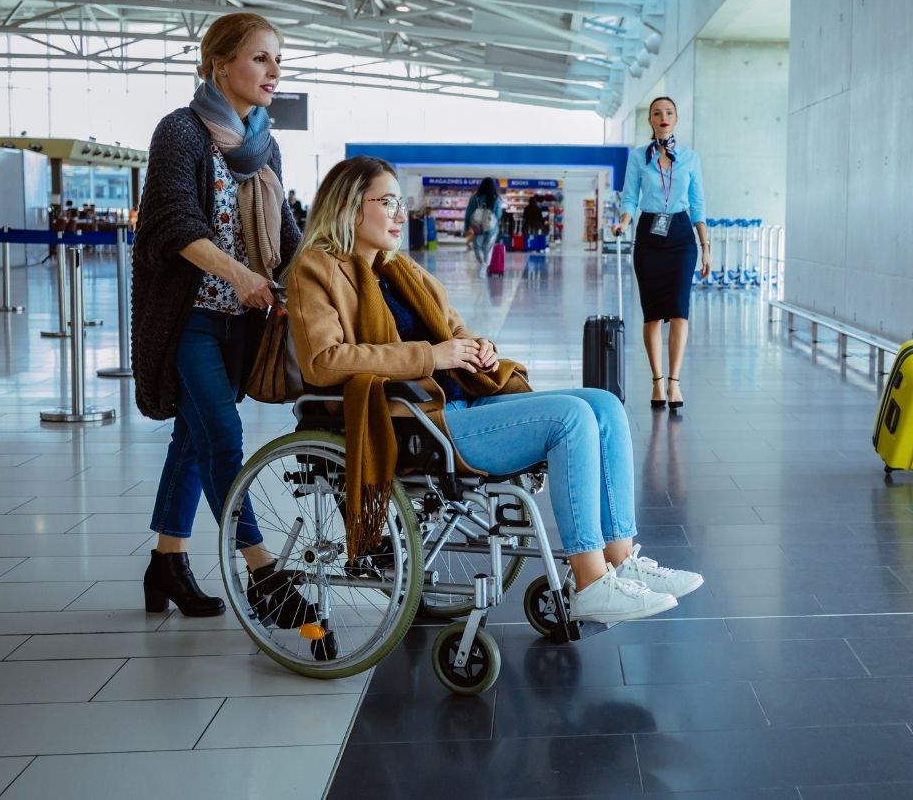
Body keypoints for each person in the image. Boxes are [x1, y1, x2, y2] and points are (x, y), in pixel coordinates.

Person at [287, 156, 703, 623]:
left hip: (462, 398)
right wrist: (432, 355)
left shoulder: (400, 271)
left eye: (400, 202)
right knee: (570, 418)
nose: (401, 214)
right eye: (387, 202)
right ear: (348, 208)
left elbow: (454, 330)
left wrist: (475, 347)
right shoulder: (316, 270)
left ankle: (621, 560)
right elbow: (323, 362)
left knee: (603, 404)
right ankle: (589, 580)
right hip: (418, 420)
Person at [132, 11, 309, 620]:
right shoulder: (180, 132)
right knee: (223, 438)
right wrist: (240, 276)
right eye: (261, 57)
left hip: (242, 324)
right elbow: (171, 224)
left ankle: (166, 564)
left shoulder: (263, 142)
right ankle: (263, 571)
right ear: (219, 63)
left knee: (194, 436)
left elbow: (286, 236)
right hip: (187, 319)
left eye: (277, 59)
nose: (274, 71)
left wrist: (325, 275)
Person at [612, 97, 711, 409]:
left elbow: (698, 205)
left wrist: (706, 247)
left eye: (669, 112)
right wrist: (624, 221)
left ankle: (675, 382)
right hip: (649, 234)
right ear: (650, 121)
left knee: (680, 310)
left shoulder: (691, 158)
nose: (663, 117)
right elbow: (630, 197)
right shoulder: (638, 158)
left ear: (676, 118)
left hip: (682, 236)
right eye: (657, 113)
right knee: (652, 313)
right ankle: (657, 381)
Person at [463, 176, 503, 269]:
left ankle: (482, 264)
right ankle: (486, 265)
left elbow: (468, 214)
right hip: (491, 229)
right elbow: (498, 215)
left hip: (478, 228)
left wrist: (466, 228)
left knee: (477, 247)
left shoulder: (474, 198)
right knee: (487, 249)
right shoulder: (496, 199)